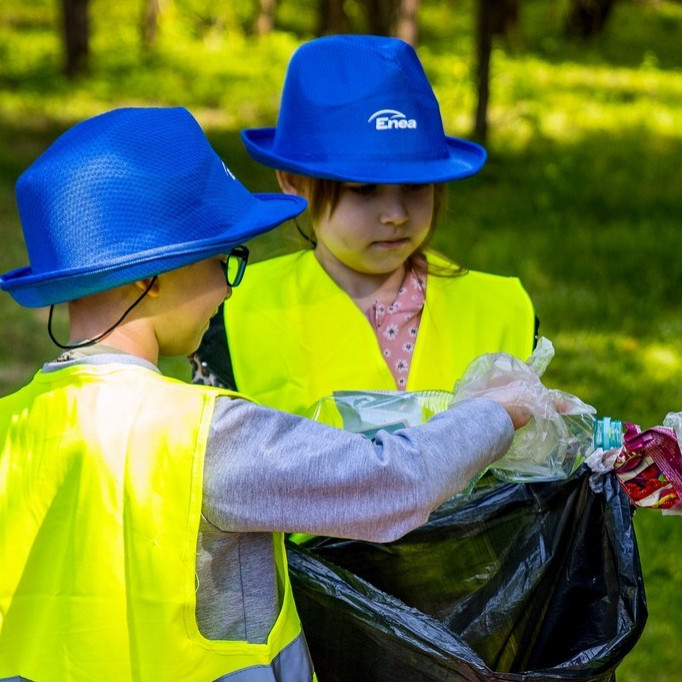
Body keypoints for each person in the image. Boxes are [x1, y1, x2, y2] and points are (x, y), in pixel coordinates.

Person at [0, 106, 541, 682]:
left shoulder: (13, 425)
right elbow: (392, 483)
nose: (227, 289)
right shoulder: (204, 437)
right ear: (149, 276)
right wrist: (501, 410)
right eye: (225, 261)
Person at [190, 34, 536, 414]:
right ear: (293, 182)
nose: (396, 214)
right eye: (364, 190)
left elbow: (535, 458)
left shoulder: (503, 311)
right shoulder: (234, 313)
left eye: (416, 186)